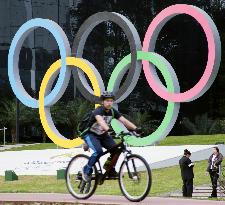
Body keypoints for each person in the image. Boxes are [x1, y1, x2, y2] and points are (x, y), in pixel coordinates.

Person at [81, 91, 142, 182]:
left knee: (116, 150)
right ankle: (86, 171)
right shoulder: (98, 111)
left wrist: (136, 128)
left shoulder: (113, 112)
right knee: (98, 152)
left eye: (111, 101)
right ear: (102, 102)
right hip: (91, 134)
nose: (109, 103)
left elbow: (124, 121)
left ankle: (109, 168)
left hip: (103, 135)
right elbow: (101, 121)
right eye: (107, 101)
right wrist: (108, 129)